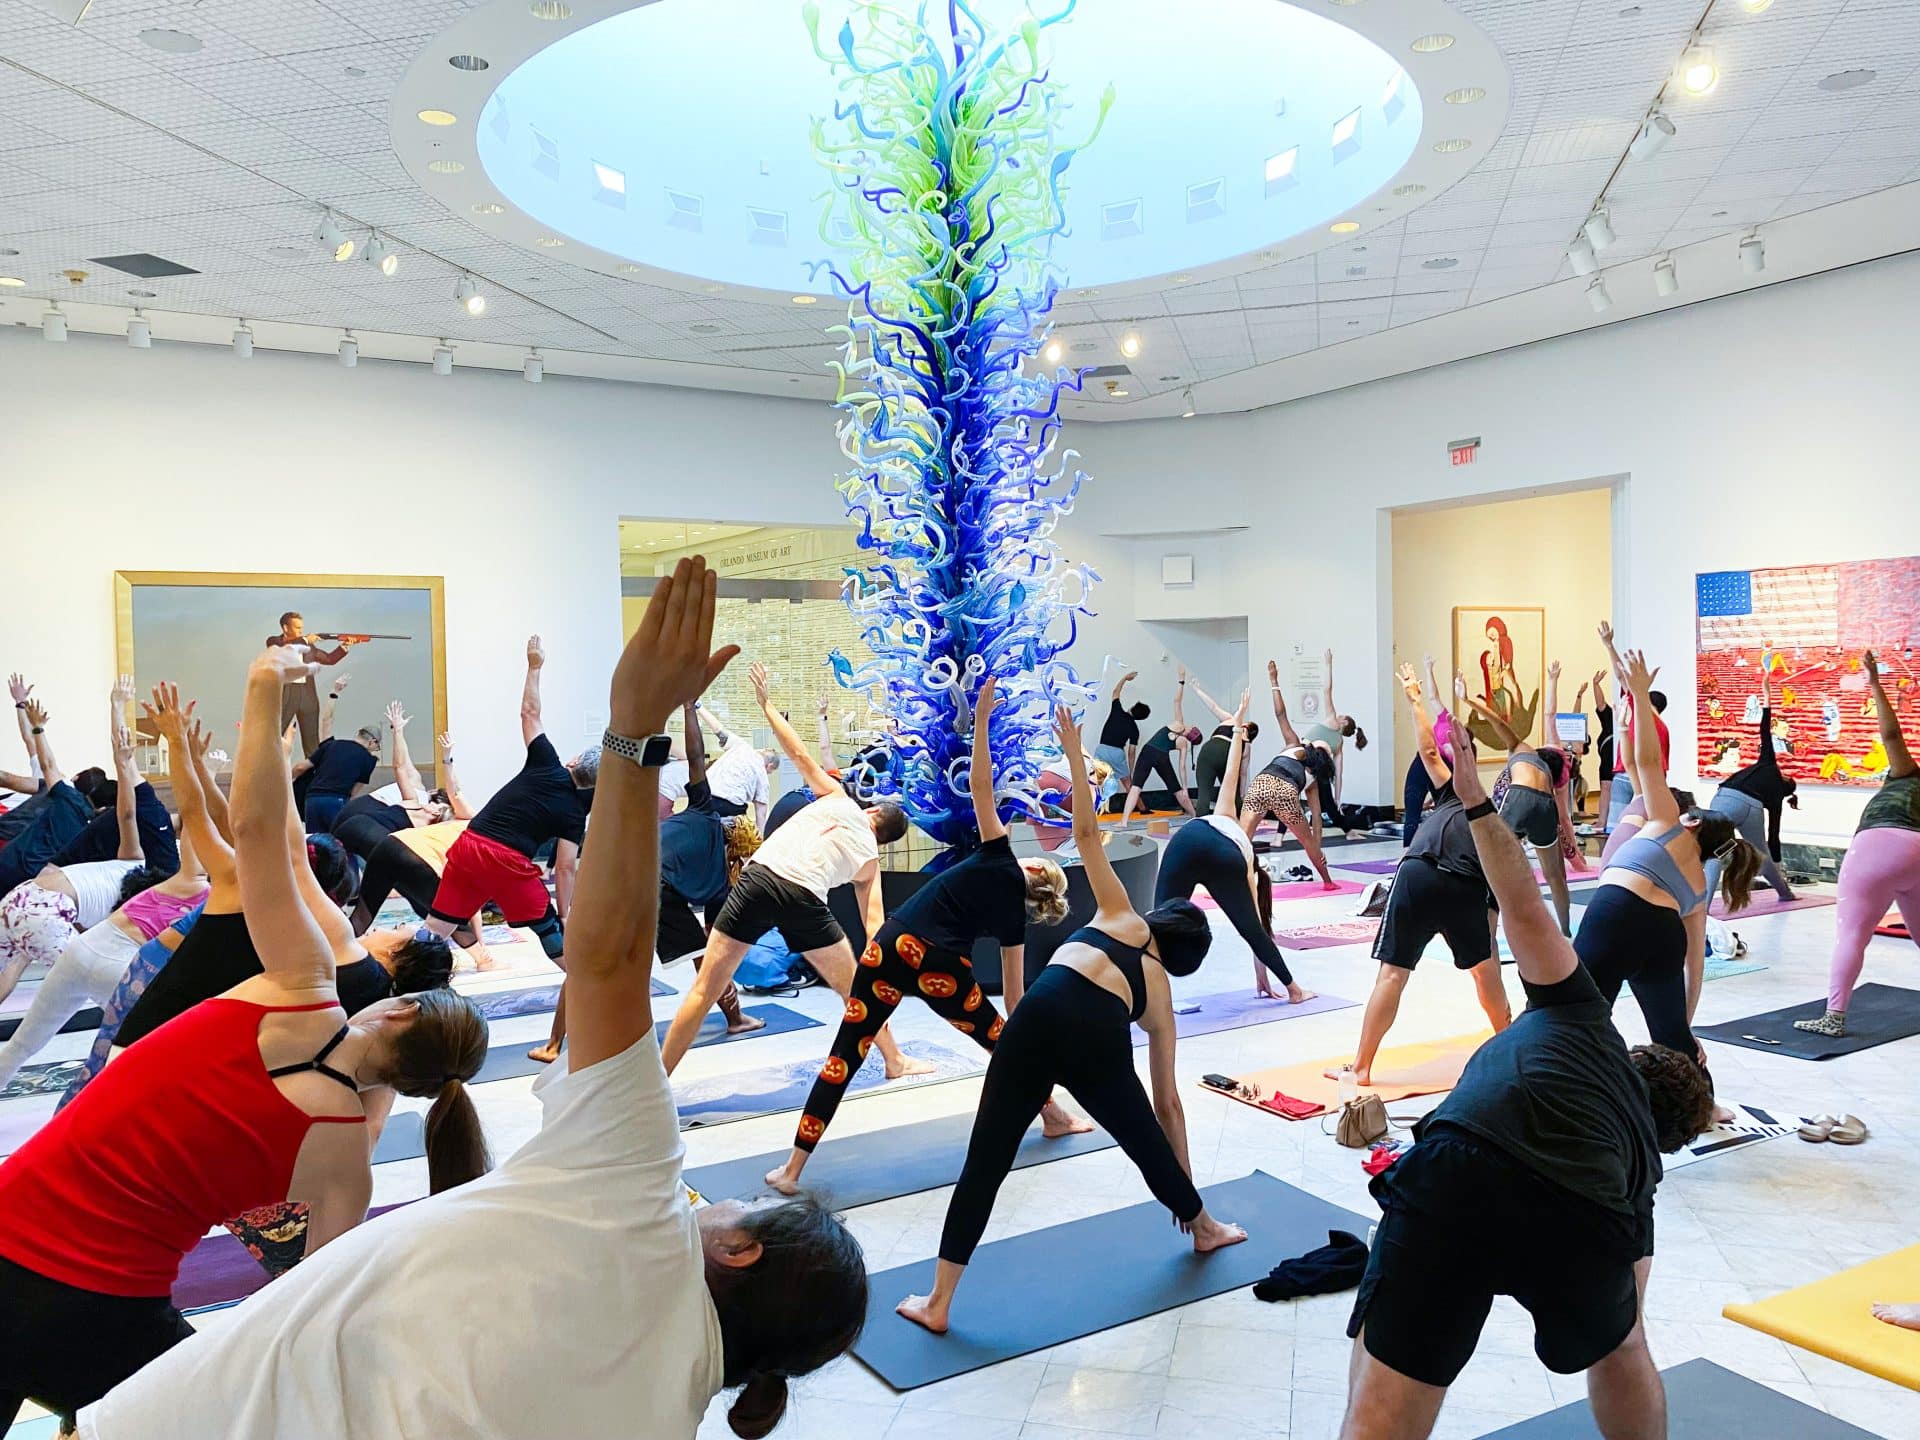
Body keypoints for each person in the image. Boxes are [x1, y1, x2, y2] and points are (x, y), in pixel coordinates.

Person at [78, 556, 869, 1440]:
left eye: (740, 1209)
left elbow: (611, 962)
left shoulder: (634, 1204)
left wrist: (635, 727)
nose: (719, 1200)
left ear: (738, 1248)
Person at [0, 644, 487, 1434]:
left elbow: (260, 833)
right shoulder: (348, 1162)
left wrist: (264, 692)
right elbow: (306, 1308)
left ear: (398, 1011)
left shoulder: (303, 987)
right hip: (104, 1311)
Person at [1338, 720, 1714, 1440]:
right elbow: (1627, 1321)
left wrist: (1479, 804)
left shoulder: (1583, 1016)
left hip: (1460, 1165)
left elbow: (1524, 908)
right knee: (1623, 1348)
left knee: (1381, 1400)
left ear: (1639, 1057)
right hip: (1579, 1204)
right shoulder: (1639, 1169)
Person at [898, 702, 1244, 1334]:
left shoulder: (1120, 913)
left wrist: (1078, 763)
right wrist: (1186, 1190)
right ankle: (1204, 1229)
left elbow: (1086, 836)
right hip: (1093, 1042)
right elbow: (1167, 1106)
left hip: (1035, 1019)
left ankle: (939, 1302)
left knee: (985, 1164)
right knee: (1143, 1140)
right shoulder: (1159, 997)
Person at [763, 677, 1082, 1194]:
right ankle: (1055, 1114)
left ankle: (792, 1170)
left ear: (1033, 868)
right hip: (942, 971)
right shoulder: (1015, 920)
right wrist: (1026, 1035)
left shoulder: (999, 853)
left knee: (845, 1056)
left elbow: (980, 785)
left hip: (890, 947)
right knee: (1001, 1043)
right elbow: (1015, 996)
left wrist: (981, 719)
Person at [109, 686, 434, 1058]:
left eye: (398, 929)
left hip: (161, 1011)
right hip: (177, 1011)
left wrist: (185, 747)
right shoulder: (313, 929)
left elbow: (209, 818)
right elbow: (230, 821)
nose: (386, 926)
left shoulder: (255, 895)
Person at [661, 663, 922, 1077]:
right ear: (884, 839)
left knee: (703, 990)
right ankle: (894, 1059)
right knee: (852, 989)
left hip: (758, 875)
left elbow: (798, 754)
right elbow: (873, 926)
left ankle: (659, 1080)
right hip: (802, 896)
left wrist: (766, 705)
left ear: (872, 811)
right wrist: (888, 966)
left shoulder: (837, 797)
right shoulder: (870, 863)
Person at [1575, 642, 1756, 1116]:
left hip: (1615, 916)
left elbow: (1645, 763)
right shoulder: (1697, 888)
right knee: (1669, 1033)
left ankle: (1574, 1102)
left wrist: (1638, 696)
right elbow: (1694, 965)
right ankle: (1704, 1107)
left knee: (1573, 1016)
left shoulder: (1667, 823)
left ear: (1692, 821)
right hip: (1661, 936)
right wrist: (1684, 1028)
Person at [1327, 667, 1513, 1087]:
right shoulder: (1494, 823)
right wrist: (1484, 945)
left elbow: (1429, 752)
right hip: (1463, 887)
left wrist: (1414, 698)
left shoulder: (1452, 793)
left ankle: (1361, 1067)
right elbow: (1495, 906)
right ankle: (1509, 1045)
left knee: (1392, 974)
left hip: (1418, 874)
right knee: (1485, 972)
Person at [0, 794, 206, 1090]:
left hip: (66, 939)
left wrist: (195, 785)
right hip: (112, 962)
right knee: (129, 1049)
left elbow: (131, 815)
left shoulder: (169, 876)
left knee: (22, 1044)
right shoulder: (205, 895)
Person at [422, 635, 591, 968]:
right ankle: (582, 985)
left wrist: (534, 666)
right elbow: (565, 867)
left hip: (469, 845)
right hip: (505, 861)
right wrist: (565, 914)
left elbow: (529, 713)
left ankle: (400, 975)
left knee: (437, 926)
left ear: (574, 762)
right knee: (548, 928)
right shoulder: (575, 813)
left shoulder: (547, 762)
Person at [0, 680, 161, 1009]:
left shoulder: (67, 798)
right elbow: (128, 815)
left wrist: (35, 722)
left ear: (76, 781)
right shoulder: (96, 832)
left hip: (20, 882)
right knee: (29, 961)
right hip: (33, 887)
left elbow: (42, 759)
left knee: (20, 957)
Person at [1156, 694, 1317, 1004]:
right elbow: (1255, 930)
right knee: (1249, 927)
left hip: (1187, 839)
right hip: (1222, 853)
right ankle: (1295, 991)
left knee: (1158, 919)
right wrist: (1266, 977)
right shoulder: (1245, 863)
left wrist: (1239, 726)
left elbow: (1231, 769)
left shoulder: (1225, 812)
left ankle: (1151, 995)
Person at [1796, 650, 1918, 1038]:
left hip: (1879, 845)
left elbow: (1891, 735)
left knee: (1852, 934)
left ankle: (1834, 1017)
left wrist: (1876, 683)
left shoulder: (1908, 773)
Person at [1461, 659, 1585, 935]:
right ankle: (1566, 931)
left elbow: (1497, 721)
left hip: (1520, 798)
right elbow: (1563, 820)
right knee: (1555, 877)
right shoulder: (1551, 781)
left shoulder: (1522, 748)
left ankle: (1487, 932)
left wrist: (1468, 700)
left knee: (1492, 865)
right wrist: (1574, 855)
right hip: (1545, 807)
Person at [1703, 663, 1798, 905]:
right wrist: (1777, 862)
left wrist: (1767, 697)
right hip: (1748, 807)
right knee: (1760, 853)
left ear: (1786, 780)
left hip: (1723, 796)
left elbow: (1764, 730)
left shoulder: (1769, 765)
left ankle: (1704, 904)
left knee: (1717, 849)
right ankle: (1785, 893)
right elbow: (1773, 835)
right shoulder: (1776, 800)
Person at [1246, 663, 1339, 883]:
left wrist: (1274, 681)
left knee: (1241, 839)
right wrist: (1316, 846)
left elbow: (1280, 714)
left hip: (1260, 782)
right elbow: (1316, 818)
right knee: (1307, 842)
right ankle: (1327, 881)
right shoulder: (1313, 781)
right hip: (1284, 791)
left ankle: (1226, 882)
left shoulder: (1293, 744)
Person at [1116, 669, 1201, 827]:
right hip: (1162, 757)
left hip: (1148, 752)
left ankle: (1124, 821)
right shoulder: (1184, 743)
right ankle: (1195, 816)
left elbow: (1177, 701)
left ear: (1191, 730)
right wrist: (1185, 787)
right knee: (1176, 789)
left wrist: (1181, 680)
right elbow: (1182, 767)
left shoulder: (1179, 724)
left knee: (1136, 787)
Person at [267, 611, 349, 757]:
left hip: (307, 696)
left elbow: (329, 659)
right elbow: (283, 649)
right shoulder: (275, 642)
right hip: (286, 694)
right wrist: (305, 640)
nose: (301, 631)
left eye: (301, 628)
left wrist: (344, 647)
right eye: (297, 628)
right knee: (273, 736)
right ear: (285, 628)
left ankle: (313, 769)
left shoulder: (309, 647)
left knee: (312, 743)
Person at [1399, 656, 1456, 851]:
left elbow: (1452, 781)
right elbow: (1433, 697)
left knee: (1447, 811)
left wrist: (1434, 797)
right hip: (1422, 763)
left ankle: (1446, 847)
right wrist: (1429, 669)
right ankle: (1408, 852)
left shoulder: (1459, 753)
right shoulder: (1446, 719)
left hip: (1439, 767)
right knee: (1412, 810)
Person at [1302, 647, 1369, 811]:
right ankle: (1329, 811)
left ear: (1344, 722)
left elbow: (1327, 690)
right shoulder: (1339, 743)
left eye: (1343, 715)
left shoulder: (1332, 720)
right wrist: (1338, 798)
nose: (1340, 715)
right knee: (1320, 795)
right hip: (1318, 767)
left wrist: (1328, 664)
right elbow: (1338, 774)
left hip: (1304, 755)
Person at [293, 720, 380, 835]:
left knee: (314, 840)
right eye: (376, 747)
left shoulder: (331, 745)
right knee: (336, 839)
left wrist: (287, 781)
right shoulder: (368, 759)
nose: (374, 750)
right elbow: (354, 792)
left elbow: (300, 767)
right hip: (336, 800)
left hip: (312, 800)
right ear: (372, 741)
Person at [1186, 679, 1258, 817]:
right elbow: (1242, 773)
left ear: (1246, 726)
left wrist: (1197, 690)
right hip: (1227, 754)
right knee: (1233, 793)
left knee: (1204, 794)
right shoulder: (1247, 745)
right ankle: (1240, 820)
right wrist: (1241, 795)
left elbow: (1213, 707)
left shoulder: (1231, 720)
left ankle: (1200, 824)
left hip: (1209, 750)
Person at [1094, 670, 1149, 805]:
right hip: (1117, 753)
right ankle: (1142, 808)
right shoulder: (1134, 729)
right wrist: (1131, 771)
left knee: (1097, 781)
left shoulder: (1117, 711)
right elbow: (1131, 753)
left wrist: (1125, 678)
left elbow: (1115, 692)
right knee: (1127, 782)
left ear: (1132, 707)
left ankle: (1096, 808)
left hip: (1102, 749)